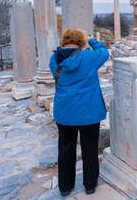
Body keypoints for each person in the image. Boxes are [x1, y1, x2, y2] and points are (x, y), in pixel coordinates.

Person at [49, 29, 109, 196]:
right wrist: (92, 40)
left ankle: (65, 187)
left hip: (65, 112)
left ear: (64, 40)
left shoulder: (54, 59)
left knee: (65, 150)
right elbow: (104, 52)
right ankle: (90, 185)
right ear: (81, 41)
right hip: (88, 111)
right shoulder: (89, 57)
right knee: (90, 149)